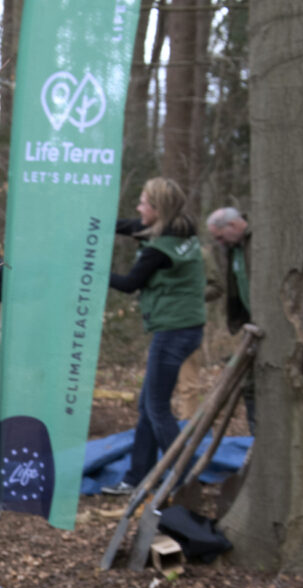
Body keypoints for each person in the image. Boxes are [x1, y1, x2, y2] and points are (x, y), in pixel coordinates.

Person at [100, 176, 207, 495]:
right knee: (149, 406)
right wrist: (97, 222)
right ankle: (136, 478)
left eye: (144, 202)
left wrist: (90, 269)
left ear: (158, 209)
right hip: (185, 328)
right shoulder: (180, 229)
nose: (138, 206)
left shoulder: (159, 249)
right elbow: (133, 226)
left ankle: (184, 478)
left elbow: (131, 283)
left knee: (156, 407)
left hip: (174, 331)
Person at [207, 205, 255, 432]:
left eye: (220, 236)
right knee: (249, 385)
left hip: (267, 321)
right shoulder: (234, 248)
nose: (219, 243)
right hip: (250, 323)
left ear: (234, 225)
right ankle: (257, 438)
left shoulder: (258, 240)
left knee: (254, 383)